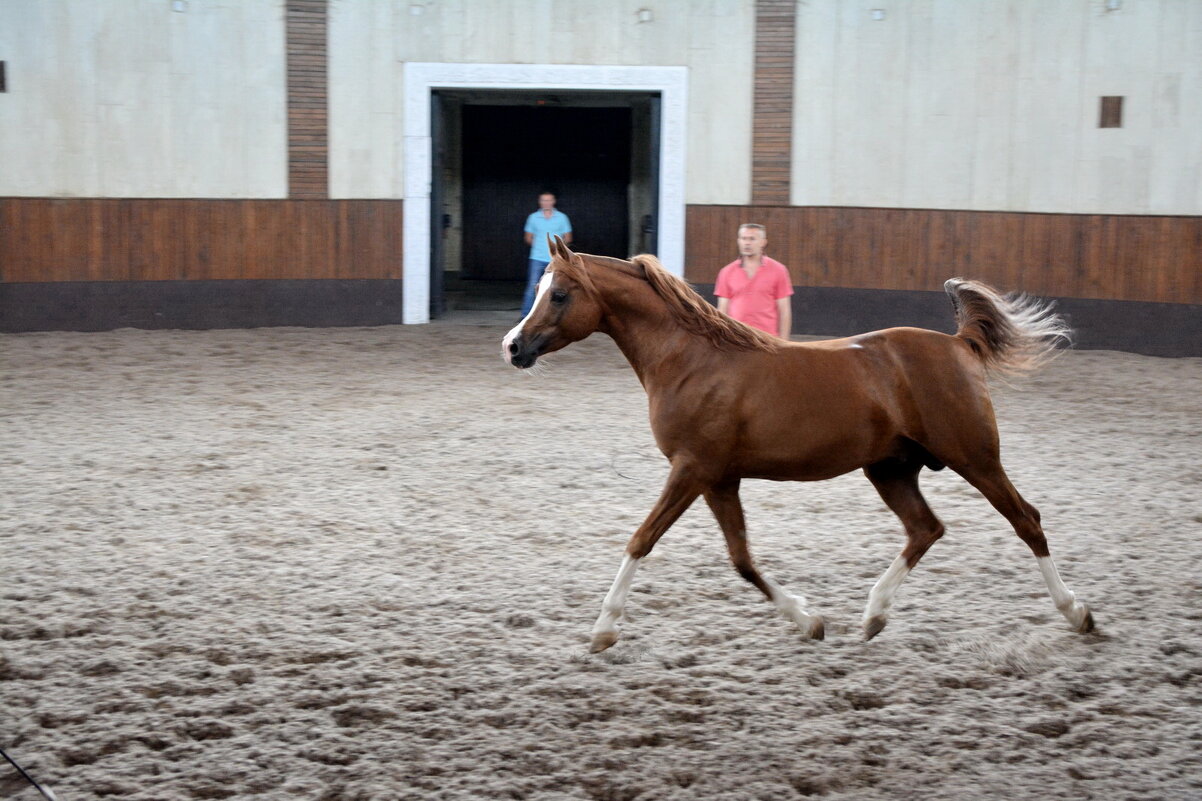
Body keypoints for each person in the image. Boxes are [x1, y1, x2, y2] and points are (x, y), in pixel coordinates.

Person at [714, 223, 793, 339]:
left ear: (763, 242)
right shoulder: (726, 272)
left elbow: (784, 310)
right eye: (743, 238)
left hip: (767, 339)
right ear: (738, 241)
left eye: (752, 239)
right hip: (737, 339)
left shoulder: (779, 270)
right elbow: (722, 310)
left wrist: (784, 343)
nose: (747, 243)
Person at [521, 192, 573, 315]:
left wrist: (559, 251)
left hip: (557, 259)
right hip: (537, 258)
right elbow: (528, 238)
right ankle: (525, 315)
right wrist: (541, 247)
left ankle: (557, 315)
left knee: (559, 287)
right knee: (532, 287)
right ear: (540, 202)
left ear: (553, 201)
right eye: (543, 200)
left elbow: (568, 238)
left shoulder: (562, 217)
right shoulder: (533, 217)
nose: (546, 203)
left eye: (549, 200)